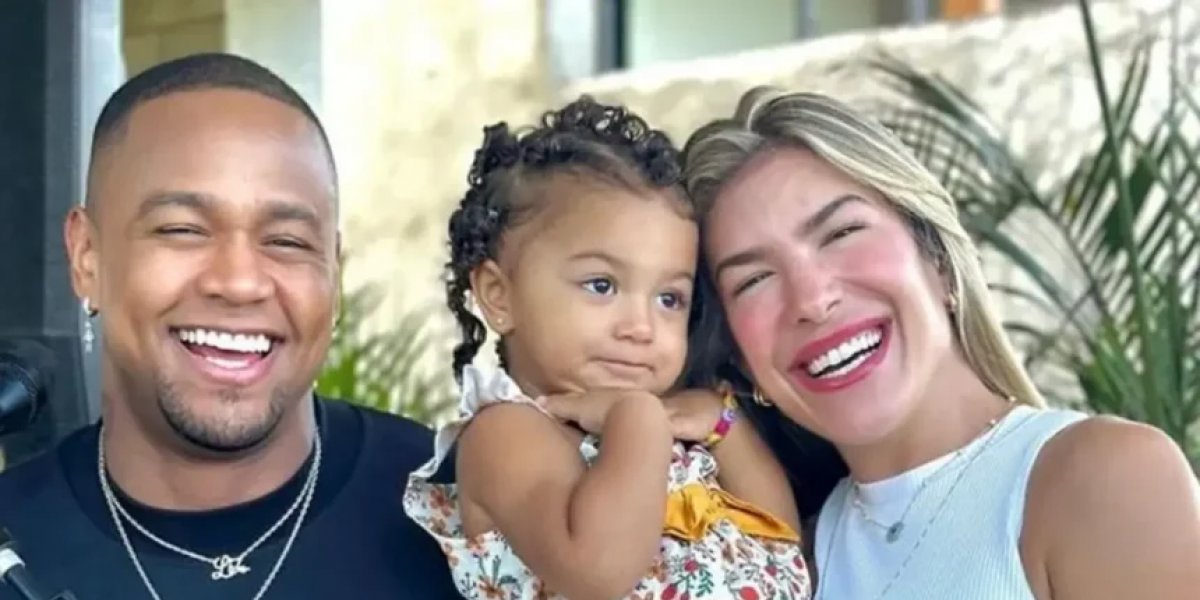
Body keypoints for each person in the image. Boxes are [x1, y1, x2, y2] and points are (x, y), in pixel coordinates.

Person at [680, 86, 1200, 599]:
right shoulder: (787, 561)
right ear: (740, 363)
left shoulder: (1101, 482)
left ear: (938, 260)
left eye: (840, 233)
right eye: (753, 280)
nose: (812, 300)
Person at [0, 53, 458, 599]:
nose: (241, 282)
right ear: (87, 257)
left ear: (333, 276)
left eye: (287, 241)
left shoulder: (474, 517)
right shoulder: (17, 536)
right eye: (183, 230)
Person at [402, 97, 813, 599]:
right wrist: (637, 417)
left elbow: (780, 540)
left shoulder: (661, 429)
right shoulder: (508, 432)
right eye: (601, 285)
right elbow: (598, 573)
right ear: (498, 295)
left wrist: (724, 427)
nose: (641, 327)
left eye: (669, 298)